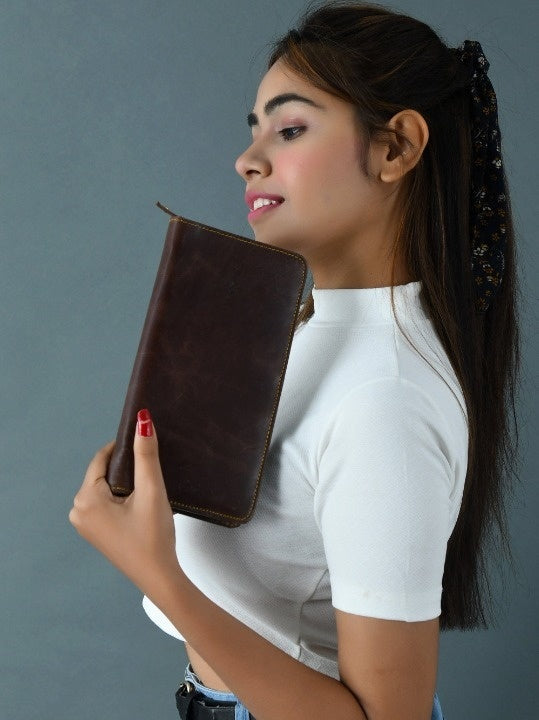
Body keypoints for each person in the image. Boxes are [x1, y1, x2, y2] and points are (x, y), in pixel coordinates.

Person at [69, 2, 521, 719]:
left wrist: (157, 572)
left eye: (289, 129)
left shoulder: (386, 397)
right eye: (254, 131)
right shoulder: (304, 328)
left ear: (396, 148)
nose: (247, 160)